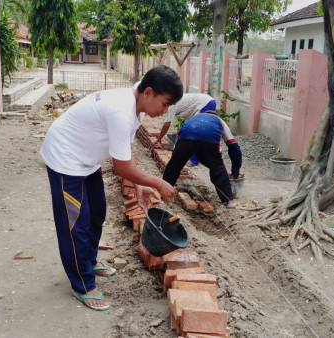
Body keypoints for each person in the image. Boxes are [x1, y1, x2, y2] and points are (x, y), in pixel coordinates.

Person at [40, 65, 183, 311]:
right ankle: (82, 284)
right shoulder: (121, 110)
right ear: (149, 92)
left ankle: (89, 260)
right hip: (65, 159)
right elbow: (121, 168)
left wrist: (139, 185)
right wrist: (158, 182)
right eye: (165, 103)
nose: (165, 110)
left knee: (97, 211)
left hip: (85, 160)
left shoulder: (135, 108)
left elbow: (126, 152)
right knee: (76, 224)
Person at [163, 110, 243, 209]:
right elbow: (234, 147)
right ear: (216, 115)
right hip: (208, 139)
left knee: (174, 165)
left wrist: (176, 156)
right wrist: (235, 171)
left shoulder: (193, 118)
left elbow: (179, 134)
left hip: (186, 136)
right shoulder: (220, 121)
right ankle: (229, 201)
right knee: (217, 168)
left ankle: (164, 190)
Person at [154, 93, 217, 166]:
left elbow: (167, 124)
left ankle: (194, 160)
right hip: (205, 102)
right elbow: (189, 110)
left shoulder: (170, 105)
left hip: (205, 103)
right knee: (187, 130)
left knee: (196, 132)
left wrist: (159, 139)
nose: (160, 113)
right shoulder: (170, 100)